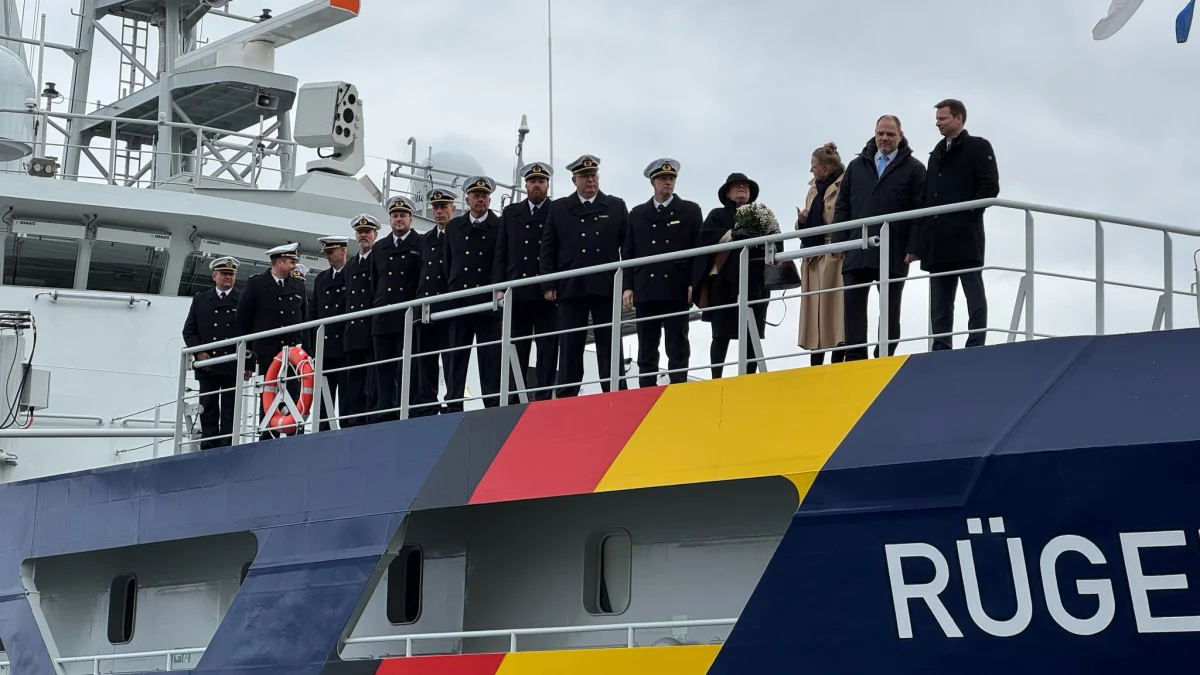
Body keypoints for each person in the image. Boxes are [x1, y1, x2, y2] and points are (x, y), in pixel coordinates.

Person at [832, 115, 926, 361]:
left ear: (900, 136)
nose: (885, 138)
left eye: (890, 134)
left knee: (890, 311)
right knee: (852, 308)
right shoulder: (856, 166)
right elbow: (842, 207)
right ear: (874, 133)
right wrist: (840, 240)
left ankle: (884, 356)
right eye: (881, 133)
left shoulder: (915, 169)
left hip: (894, 249)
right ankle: (855, 359)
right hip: (856, 246)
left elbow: (920, 212)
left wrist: (914, 246)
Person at [910, 98, 1000, 351]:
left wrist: (965, 213)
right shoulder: (936, 153)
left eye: (942, 118)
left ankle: (976, 343)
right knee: (939, 299)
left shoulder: (978, 147)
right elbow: (927, 199)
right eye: (937, 118)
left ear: (958, 119)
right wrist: (918, 242)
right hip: (937, 239)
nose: (937, 123)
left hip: (965, 235)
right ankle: (940, 346)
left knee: (973, 291)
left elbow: (990, 188)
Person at [539, 154, 629, 397]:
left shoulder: (616, 206)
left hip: (606, 284)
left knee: (610, 343)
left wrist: (627, 284)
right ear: (574, 180)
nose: (590, 180)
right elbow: (548, 248)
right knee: (569, 345)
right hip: (571, 286)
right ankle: (568, 395)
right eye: (585, 176)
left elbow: (628, 248)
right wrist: (548, 283)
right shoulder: (559, 208)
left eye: (593, 176)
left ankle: (616, 393)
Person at [622, 158, 702, 387]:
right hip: (646, 288)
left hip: (676, 286)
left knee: (677, 343)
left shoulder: (689, 211)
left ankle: (678, 385)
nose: (668, 183)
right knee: (646, 344)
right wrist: (628, 286)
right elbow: (629, 252)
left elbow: (698, 250)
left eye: (671, 178)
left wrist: (692, 283)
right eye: (663, 179)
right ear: (653, 182)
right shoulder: (637, 214)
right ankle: (645, 389)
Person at [694, 172, 780, 378]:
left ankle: (749, 377)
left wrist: (762, 239)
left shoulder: (764, 215)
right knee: (720, 334)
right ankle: (716, 377)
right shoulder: (717, 215)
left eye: (746, 186)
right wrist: (731, 235)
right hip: (724, 284)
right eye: (737, 186)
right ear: (728, 192)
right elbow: (705, 240)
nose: (742, 188)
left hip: (755, 283)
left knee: (752, 334)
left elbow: (777, 243)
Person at [495, 161, 557, 402]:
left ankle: (543, 395)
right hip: (517, 291)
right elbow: (502, 252)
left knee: (547, 348)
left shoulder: (557, 210)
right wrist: (500, 288)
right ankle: (513, 397)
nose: (537, 185)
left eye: (541, 181)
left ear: (547, 184)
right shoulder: (511, 213)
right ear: (526, 184)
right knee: (516, 348)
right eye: (532, 181)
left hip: (545, 292)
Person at [235, 242, 310, 439]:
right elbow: (243, 320)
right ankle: (268, 436)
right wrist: (249, 359)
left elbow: (306, 320)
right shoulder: (256, 284)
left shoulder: (298, 286)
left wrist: (307, 354)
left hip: (293, 355)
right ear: (279, 262)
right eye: (291, 262)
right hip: (267, 353)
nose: (294, 266)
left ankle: (293, 434)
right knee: (268, 397)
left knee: (293, 395)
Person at [443, 176, 502, 411]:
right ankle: (454, 401)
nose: (480, 199)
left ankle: (492, 402)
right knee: (456, 355)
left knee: (489, 355)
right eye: (476, 195)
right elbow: (449, 262)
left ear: (489, 199)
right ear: (467, 199)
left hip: (487, 300)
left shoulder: (499, 226)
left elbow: (501, 260)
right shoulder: (455, 227)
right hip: (460, 299)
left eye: (484, 196)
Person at [181, 256, 244, 449]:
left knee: (229, 408)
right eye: (224, 274)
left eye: (231, 274)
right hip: (207, 364)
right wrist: (200, 353)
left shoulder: (242, 300)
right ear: (214, 276)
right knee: (208, 405)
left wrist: (247, 364)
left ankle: (227, 444)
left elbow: (250, 333)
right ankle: (209, 444)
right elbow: (189, 331)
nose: (228, 277)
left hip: (231, 363)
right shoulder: (201, 300)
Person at [370, 196, 422, 421]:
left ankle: (406, 409)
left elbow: (422, 281)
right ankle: (385, 412)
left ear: (410, 218)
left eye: (402, 215)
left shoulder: (420, 244)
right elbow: (375, 282)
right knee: (384, 368)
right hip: (383, 316)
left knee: (409, 367)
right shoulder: (380, 247)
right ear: (389, 220)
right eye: (394, 216)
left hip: (407, 317)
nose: (398, 219)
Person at [796, 143, 847, 366]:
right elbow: (803, 227)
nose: (811, 170)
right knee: (815, 312)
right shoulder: (813, 189)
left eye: (813, 166)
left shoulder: (845, 184)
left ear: (825, 168)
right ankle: (815, 363)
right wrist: (802, 221)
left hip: (836, 254)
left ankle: (838, 360)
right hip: (814, 257)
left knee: (835, 313)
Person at [413, 188, 456, 416]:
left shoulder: (458, 234)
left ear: (453, 209)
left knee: (450, 358)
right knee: (426, 360)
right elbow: (420, 273)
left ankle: (452, 400)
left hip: (448, 307)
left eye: (444, 207)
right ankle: (427, 403)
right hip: (427, 308)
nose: (439, 211)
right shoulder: (426, 240)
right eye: (436, 208)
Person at [341, 213, 379, 427]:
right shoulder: (351, 265)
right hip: (354, 331)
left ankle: (371, 415)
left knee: (373, 376)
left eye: (367, 232)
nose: (363, 236)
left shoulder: (379, 257)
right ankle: (355, 417)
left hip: (371, 326)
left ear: (375, 234)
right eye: (360, 232)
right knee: (354, 378)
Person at [310, 236, 349, 431]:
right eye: (326, 253)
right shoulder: (321, 279)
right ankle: (323, 430)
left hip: (345, 345)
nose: (328, 257)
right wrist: (312, 348)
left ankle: (347, 427)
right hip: (325, 348)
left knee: (348, 395)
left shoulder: (353, 273)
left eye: (331, 252)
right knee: (324, 398)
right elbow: (314, 314)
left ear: (343, 251)